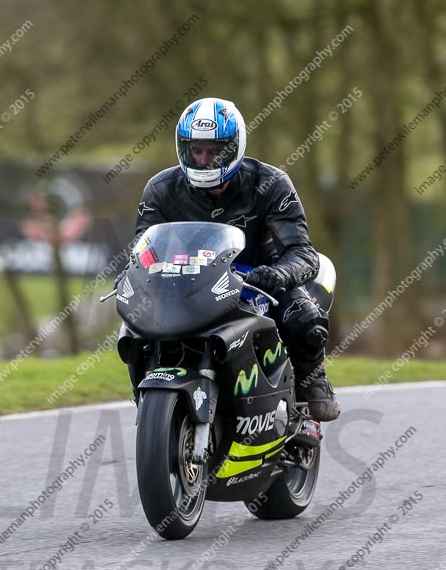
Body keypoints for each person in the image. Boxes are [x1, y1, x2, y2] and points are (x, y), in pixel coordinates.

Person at [130, 96, 340, 422]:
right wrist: (133, 274)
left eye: (214, 151)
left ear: (234, 147)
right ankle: (148, 396)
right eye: (196, 150)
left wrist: (279, 274)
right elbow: (143, 249)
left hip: (258, 277)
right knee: (134, 328)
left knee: (304, 319)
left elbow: (302, 252)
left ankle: (314, 380)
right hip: (188, 278)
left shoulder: (271, 184)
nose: (204, 159)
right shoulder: (160, 189)